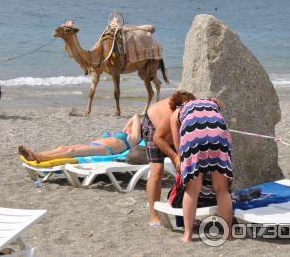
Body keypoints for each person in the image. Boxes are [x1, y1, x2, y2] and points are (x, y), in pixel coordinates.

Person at [170, 94, 233, 243]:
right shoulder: (211, 103)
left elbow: (177, 144)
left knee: (192, 190)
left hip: (193, 137)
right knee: (222, 190)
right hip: (219, 135)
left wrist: (183, 162)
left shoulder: (177, 112)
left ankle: (188, 235)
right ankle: (228, 233)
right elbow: (226, 133)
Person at [144, 91, 196, 227]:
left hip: (170, 130)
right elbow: (158, 138)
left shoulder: (193, 112)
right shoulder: (171, 114)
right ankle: (154, 216)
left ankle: (187, 213)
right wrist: (174, 156)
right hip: (153, 128)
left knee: (185, 170)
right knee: (157, 170)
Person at [19, 114, 142, 162]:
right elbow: (132, 119)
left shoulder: (133, 138)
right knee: (63, 147)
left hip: (105, 150)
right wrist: (125, 128)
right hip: (94, 145)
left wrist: (126, 129)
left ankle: (40, 157)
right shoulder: (124, 134)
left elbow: (136, 116)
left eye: (132, 127)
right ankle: (35, 154)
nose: (129, 128)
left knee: (72, 152)